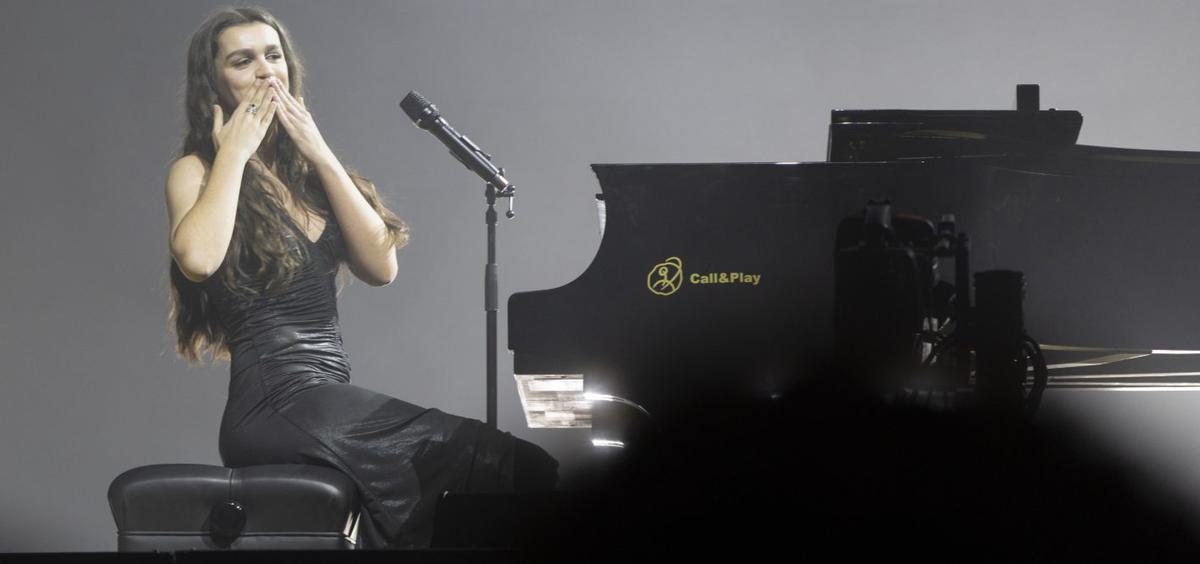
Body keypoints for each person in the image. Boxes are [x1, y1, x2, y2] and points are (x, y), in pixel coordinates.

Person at [164, 7, 557, 548]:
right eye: (242, 61)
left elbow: (381, 267)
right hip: (273, 404)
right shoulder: (198, 171)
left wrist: (320, 153)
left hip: (325, 395)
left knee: (495, 480)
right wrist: (233, 152)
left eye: (273, 55)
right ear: (214, 83)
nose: (265, 71)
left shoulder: (309, 178)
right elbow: (197, 258)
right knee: (502, 464)